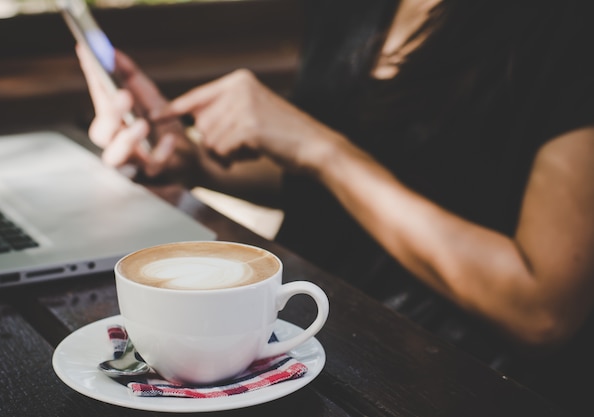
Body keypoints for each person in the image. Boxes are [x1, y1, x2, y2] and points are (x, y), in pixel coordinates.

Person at [76, 0, 594, 413]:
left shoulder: (567, 28)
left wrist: (320, 149)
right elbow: (350, 185)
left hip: (438, 376)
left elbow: (542, 310)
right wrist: (192, 163)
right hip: (300, 344)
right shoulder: (347, 8)